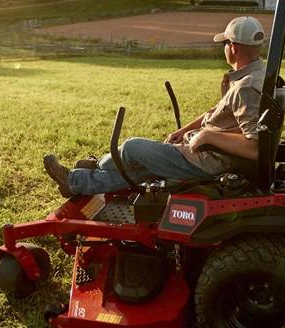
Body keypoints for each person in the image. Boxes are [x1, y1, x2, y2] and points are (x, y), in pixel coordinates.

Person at [43, 16, 267, 197]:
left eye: (225, 43)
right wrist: (183, 130)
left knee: (133, 148)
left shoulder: (246, 87)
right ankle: (77, 180)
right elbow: (218, 113)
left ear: (233, 47)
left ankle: (97, 165)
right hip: (209, 153)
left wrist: (208, 136)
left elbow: (254, 147)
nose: (224, 48)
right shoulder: (255, 75)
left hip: (211, 161)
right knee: (145, 167)